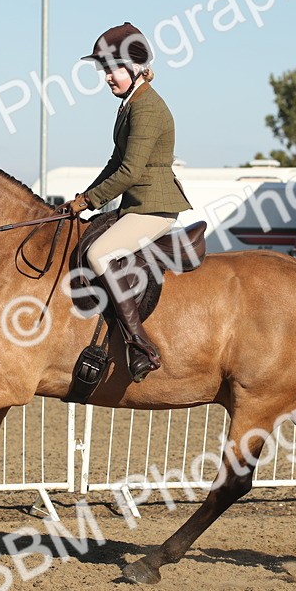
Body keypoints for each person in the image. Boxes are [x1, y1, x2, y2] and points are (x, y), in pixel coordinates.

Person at [63, 22, 192, 382]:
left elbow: (131, 171)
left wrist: (89, 200)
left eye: (112, 68)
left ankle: (140, 344)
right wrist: (80, 200)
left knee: (97, 254)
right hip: (136, 204)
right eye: (104, 69)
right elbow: (113, 163)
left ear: (134, 68)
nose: (106, 77)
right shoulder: (131, 104)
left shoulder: (147, 107)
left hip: (154, 206)